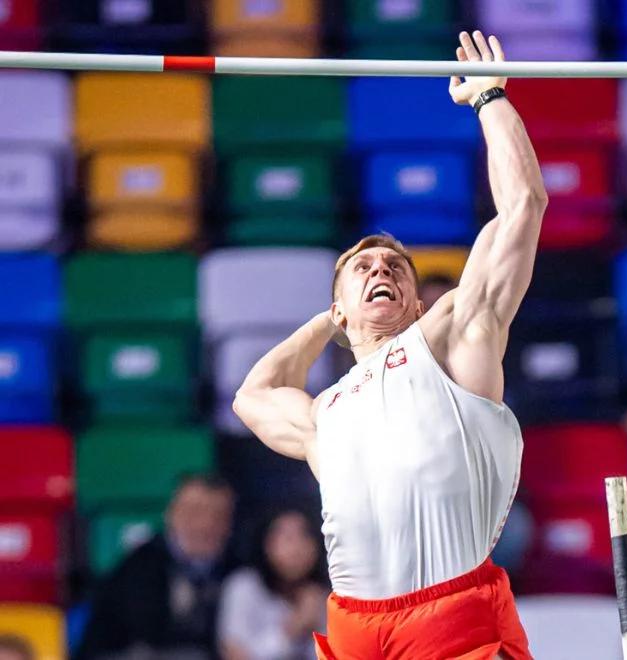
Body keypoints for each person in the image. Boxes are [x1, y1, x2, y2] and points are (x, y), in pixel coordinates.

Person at [232, 30, 546, 660]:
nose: (382, 270)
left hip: (450, 615)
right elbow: (254, 396)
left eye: (396, 267)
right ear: (341, 305)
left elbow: (523, 208)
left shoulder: (453, 338)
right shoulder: (326, 413)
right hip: (355, 630)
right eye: (364, 267)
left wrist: (491, 100)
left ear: (419, 301)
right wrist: (329, 320)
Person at [78, 474, 236, 660]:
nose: (206, 524)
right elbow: (146, 633)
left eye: (219, 515)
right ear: (171, 514)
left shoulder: (239, 570)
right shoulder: (139, 566)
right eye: (195, 511)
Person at [219, 508, 330, 660]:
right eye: (287, 538)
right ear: (266, 543)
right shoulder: (243, 587)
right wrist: (293, 628)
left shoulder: (328, 595)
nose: (296, 548)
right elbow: (234, 654)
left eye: (305, 536)